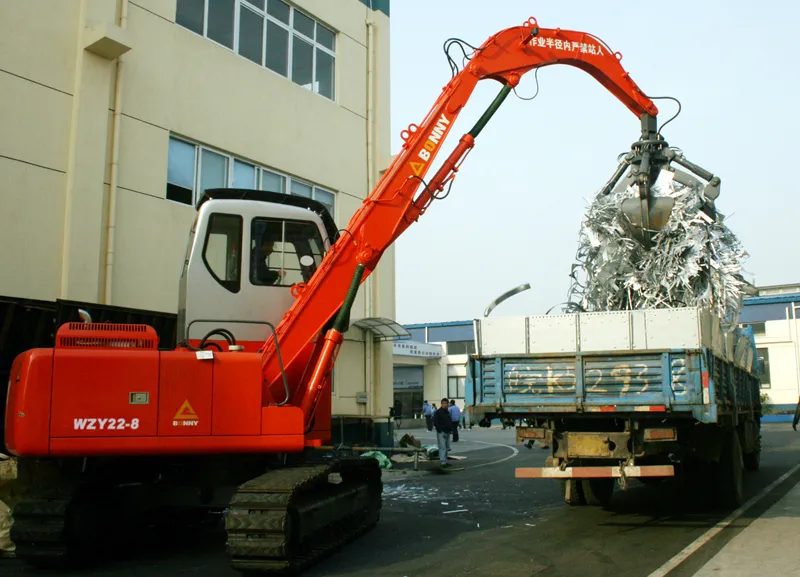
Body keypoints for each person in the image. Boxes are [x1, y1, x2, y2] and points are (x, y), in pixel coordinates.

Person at [433, 399, 452, 467]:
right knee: (442, 447)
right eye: (443, 403)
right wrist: (439, 430)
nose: (445, 405)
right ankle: (443, 462)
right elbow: (435, 422)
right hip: (441, 432)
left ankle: (445, 461)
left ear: (448, 404)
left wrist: (450, 429)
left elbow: (449, 421)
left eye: (446, 403)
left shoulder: (447, 412)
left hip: (447, 431)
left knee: (446, 447)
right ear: (441, 404)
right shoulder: (438, 412)